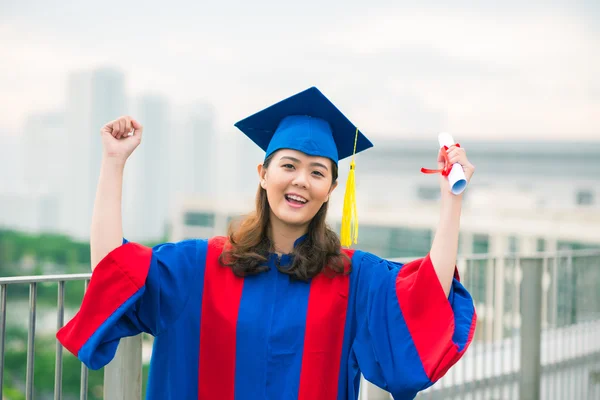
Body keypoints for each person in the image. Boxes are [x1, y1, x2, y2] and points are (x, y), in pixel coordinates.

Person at [57, 86, 477, 400]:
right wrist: (114, 163)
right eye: (289, 165)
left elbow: (425, 301)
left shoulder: (352, 275)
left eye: (317, 172)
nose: (300, 181)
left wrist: (451, 200)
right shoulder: (196, 267)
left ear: (331, 188)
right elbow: (112, 271)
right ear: (263, 172)